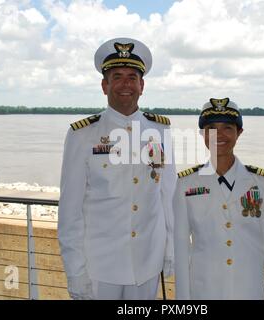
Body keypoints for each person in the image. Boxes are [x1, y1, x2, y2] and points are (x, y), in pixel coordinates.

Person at [58, 38, 176, 300]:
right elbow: (70, 211)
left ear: (142, 86)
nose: (126, 84)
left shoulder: (160, 130)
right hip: (100, 267)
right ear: (104, 85)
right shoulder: (82, 135)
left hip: (147, 263)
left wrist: (171, 250)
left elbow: (169, 197)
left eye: (132, 77)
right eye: (117, 77)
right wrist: (75, 272)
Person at [173, 98, 264, 299]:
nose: (219, 135)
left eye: (227, 127)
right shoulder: (185, 184)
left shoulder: (262, 184)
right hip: (204, 291)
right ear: (203, 134)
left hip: (250, 290)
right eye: (211, 128)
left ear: (239, 133)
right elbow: (181, 252)